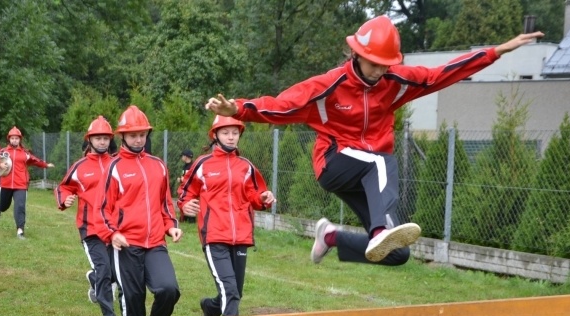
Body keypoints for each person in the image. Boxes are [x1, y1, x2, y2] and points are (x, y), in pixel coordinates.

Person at [206, 16, 544, 266]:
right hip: (334, 162)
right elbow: (282, 105)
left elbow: (441, 74)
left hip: (367, 173)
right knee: (380, 160)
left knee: (397, 253)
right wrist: (238, 109)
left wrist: (496, 52)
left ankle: (331, 237)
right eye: (374, 64)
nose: (380, 71)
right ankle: (380, 229)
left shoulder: (396, 82)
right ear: (356, 54)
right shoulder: (329, 86)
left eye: (386, 65)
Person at [99, 105, 182, 316]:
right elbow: (103, 208)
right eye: (133, 135)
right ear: (122, 136)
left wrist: (171, 225)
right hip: (126, 244)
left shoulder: (158, 165)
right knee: (133, 298)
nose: (138, 139)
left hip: (155, 241)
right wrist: (112, 233)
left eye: (142, 134)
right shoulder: (113, 167)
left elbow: (165, 203)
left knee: (169, 290)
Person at [178, 116, 275, 316]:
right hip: (214, 235)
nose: (231, 137)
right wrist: (185, 204)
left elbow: (256, 196)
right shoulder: (202, 163)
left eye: (235, 133)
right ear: (215, 135)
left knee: (235, 291)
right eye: (225, 133)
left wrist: (264, 198)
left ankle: (210, 307)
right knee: (230, 291)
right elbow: (186, 191)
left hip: (241, 236)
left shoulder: (246, 166)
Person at [55, 116, 119, 316]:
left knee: (116, 273)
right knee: (104, 270)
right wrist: (65, 200)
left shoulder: (117, 163)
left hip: (115, 229)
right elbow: (63, 187)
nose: (102, 142)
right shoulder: (80, 166)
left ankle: (94, 279)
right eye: (98, 138)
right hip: (90, 229)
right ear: (89, 140)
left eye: (106, 138)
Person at [0, 126, 54, 239]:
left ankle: (20, 230)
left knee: (20, 206)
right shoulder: (3, 152)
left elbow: (35, 161)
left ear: (20, 139)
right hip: (5, 184)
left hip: (20, 185)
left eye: (16, 138)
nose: (14, 140)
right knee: (4, 206)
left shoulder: (25, 153)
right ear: (9, 139)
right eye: (12, 138)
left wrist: (46, 165)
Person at [175, 148, 196, 223]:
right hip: (184, 188)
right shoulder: (185, 166)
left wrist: (182, 179)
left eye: (182, 156)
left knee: (189, 201)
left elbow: (190, 179)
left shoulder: (191, 167)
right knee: (182, 200)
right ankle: (184, 217)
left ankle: (190, 219)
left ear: (186, 157)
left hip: (190, 189)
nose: (182, 157)